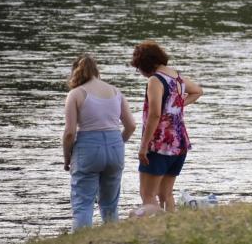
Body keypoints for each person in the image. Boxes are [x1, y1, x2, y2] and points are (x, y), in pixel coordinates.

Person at [62, 53, 136, 231]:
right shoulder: (116, 92)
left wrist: (67, 158)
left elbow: (70, 133)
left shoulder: (75, 94)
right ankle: (114, 239)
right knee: (110, 204)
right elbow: (131, 125)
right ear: (97, 71)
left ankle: (81, 240)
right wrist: (118, 143)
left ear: (75, 72)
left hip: (88, 148)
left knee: (83, 203)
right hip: (115, 146)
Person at [131, 40, 204, 212]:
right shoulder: (177, 78)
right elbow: (198, 91)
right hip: (180, 144)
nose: (139, 72)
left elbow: (155, 114)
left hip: (160, 144)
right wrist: (176, 106)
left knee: (147, 194)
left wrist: (143, 146)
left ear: (144, 64)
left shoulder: (155, 80)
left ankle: (156, 231)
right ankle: (172, 228)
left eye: (138, 67)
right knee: (166, 194)